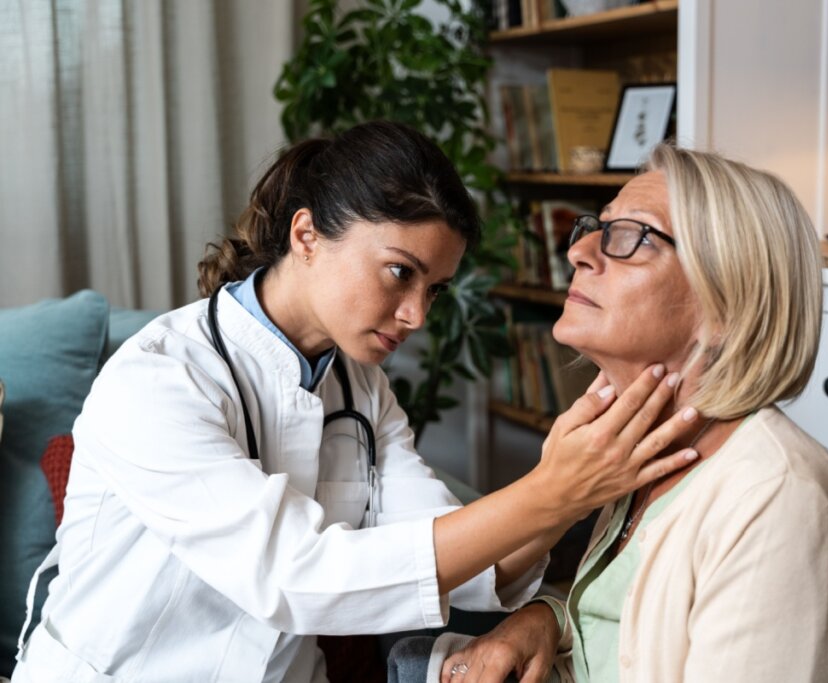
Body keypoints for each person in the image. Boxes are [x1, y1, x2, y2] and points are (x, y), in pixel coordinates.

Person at [11, 122, 703, 682]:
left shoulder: (361, 388)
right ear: (307, 235)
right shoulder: (159, 381)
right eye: (401, 273)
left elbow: (459, 552)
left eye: (432, 289)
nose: (416, 315)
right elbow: (295, 576)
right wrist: (552, 491)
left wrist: (578, 488)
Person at [431, 145, 828, 682]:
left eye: (632, 236)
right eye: (596, 227)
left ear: (727, 301)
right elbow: (631, 625)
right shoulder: (638, 455)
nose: (579, 252)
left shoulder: (780, 501)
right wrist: (548, 618)